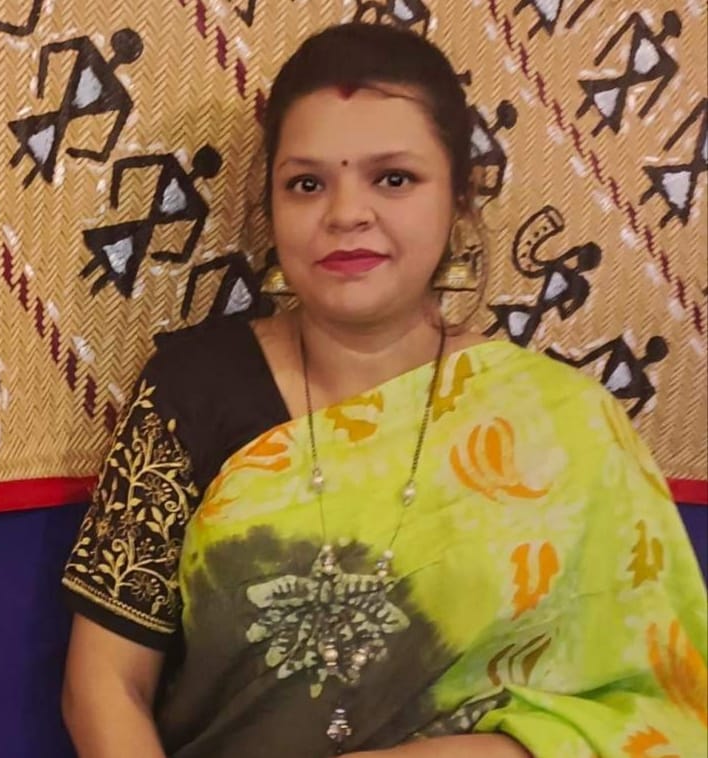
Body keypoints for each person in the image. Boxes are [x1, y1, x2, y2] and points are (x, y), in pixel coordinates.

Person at [60, 22, 707, 758]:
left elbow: (661, 709)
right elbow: (103, 685)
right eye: (306, 184)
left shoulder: (563, 424)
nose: (346, 214)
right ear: (270, 208)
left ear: (459, 200)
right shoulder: (190, 389)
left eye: (393, 179)